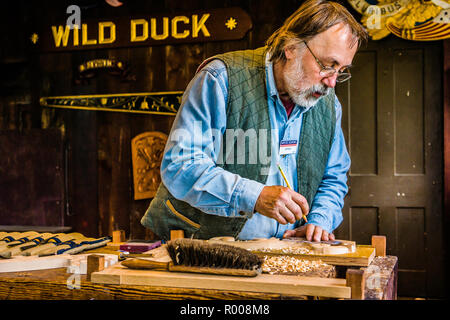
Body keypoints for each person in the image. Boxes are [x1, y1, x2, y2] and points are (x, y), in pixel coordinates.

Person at [141, 0, 368, 242]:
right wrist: (254, 196)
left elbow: (333, 176)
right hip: (200, 249)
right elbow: (181, 166)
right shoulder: (220, 79)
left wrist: (320, 220)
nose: (332, 82)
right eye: (327, 65)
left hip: (284, 254)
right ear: (291, 47)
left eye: (341, 70)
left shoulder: (328, 103)